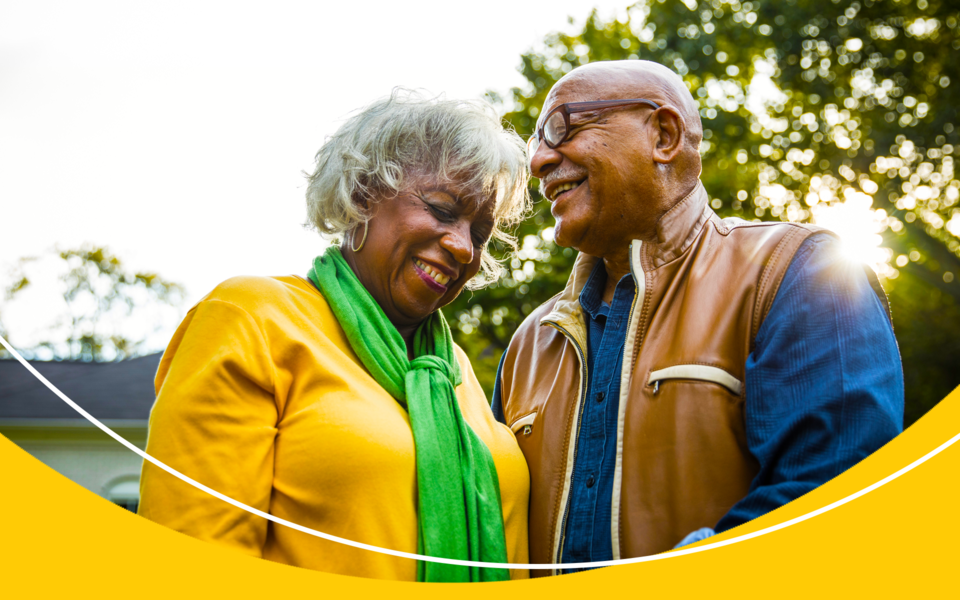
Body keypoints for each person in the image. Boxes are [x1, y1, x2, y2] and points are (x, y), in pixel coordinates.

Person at [492, 60, 903, 575]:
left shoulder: (799, 270)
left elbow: (836, 501)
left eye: (561, 127)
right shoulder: (528, 343)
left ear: (663, 135)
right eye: (534, 143)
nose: (538, 161)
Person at [139, 90, 532, 582]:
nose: (461, 246)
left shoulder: (453, 370)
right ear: (364, 193)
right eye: (441, 209)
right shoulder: (253, 318)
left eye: (480, 233)